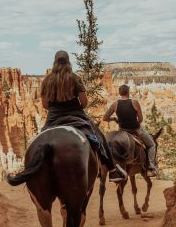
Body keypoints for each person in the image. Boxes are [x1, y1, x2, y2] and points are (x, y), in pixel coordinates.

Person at [40, 50, 127, 182]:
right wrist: (74, 108)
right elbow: (84, 102)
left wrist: (56, 107)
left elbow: (45, 105)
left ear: (55, 62)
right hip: (76, 115)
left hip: (53, 118)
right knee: (99, 137)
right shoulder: (75, 78)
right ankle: (113, 170)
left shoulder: (47, 80)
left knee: (39, 141)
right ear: (68, 62)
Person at [103, 84, 157, 177]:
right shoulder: (134, 102)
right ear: (128, 92)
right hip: (135, 130)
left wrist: (114, 119)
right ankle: (151, 168)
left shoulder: (115, 104)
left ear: (120, 93)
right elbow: (140, 119)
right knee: (152, 145)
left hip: (122, 131)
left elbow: (105, 118)